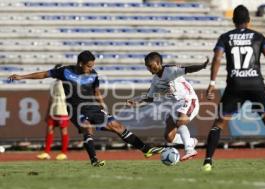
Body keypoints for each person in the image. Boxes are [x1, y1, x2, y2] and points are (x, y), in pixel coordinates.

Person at [9, 50, 164, 167]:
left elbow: (96, 92)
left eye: (93, 65)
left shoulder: (93, 74)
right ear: (80, 64)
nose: (92, 68)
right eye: (89, 65)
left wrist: (102, 105)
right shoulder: (65, 71)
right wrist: (22, 77)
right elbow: (44, 74)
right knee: (87, 128)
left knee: (117, 126)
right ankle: (94, 160)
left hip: (91, 107)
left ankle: (145, 149)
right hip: (74, 108)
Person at [201, 5, 265, 171]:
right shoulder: (258, 37)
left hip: (235, 85)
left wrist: (212, 83)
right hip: (255, 84)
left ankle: (207, 162)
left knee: (218, 123)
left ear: (234, 21)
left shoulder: (225, 37)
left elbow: (217, 58)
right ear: (249, 21)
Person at [127, 52, 209, 161]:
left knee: (180, 122)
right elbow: (150, 98)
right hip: (176, 105)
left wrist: (202, 66)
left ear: (158, 63)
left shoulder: (170, 70)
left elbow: (188, 69)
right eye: (147, 67)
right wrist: (137, 101)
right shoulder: (155, 81)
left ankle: (189, 149)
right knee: (169, 137)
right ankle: (190, 141)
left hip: (188, 99)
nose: (149, 69)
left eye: (151, 66)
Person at [37, 65, 69, 160]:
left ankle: (63, 153)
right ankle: (46, 152)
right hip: (53, 110)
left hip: (63, 110)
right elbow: (51, 99)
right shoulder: (54, 83)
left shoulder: (67, 83)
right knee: (49, 129)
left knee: (63, 130)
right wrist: (47, 112)